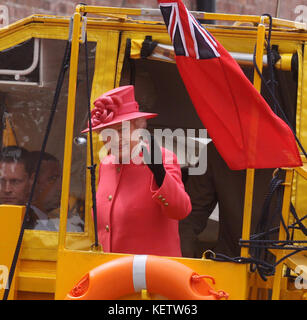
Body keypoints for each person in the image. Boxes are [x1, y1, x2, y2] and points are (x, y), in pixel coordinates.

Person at [82, 85, 192, 256]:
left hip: (153, 275)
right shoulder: (106, 164)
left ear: (138, 128)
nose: (115, 139)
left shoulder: (163, 157)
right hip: (112, 274)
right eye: (107, 133)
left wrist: (159, 173)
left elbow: (181, 210)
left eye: (121, 130)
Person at [180, 141, 278, 258]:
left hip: (287, 265)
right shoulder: (216, 150)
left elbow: (191, 213)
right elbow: (190, 214)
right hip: (231, 261)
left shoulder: (299, 158)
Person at [30, 151, 84, 232]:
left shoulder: (46, 221)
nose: (60, 187)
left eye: (61, 179)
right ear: (33, 181)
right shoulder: (27, 223)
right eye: (52, 179)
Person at [0, 146, 37, 228]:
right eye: (1, 181)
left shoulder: (41, 222)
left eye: (15, 181)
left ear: (31, 180)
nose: (7, 189)